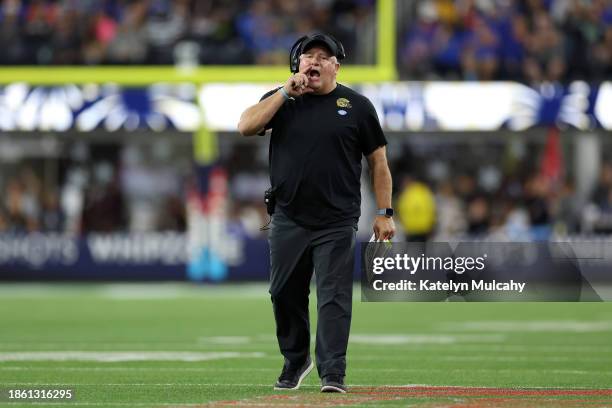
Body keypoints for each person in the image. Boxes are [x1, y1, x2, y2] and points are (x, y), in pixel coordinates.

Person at [238, 33, 395, 393]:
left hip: (337, 220)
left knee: (334, 296)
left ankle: (333, 372)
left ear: (336, 67)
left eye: (325, 57)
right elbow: (245, 126)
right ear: (298, 64)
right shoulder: (283, 100)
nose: (315, 61)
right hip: (288, 217)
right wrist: (283, 93)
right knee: (283, 293)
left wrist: (385, 211)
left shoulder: (357, 106)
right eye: (309, 55)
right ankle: (296, 359)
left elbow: (378, 161)